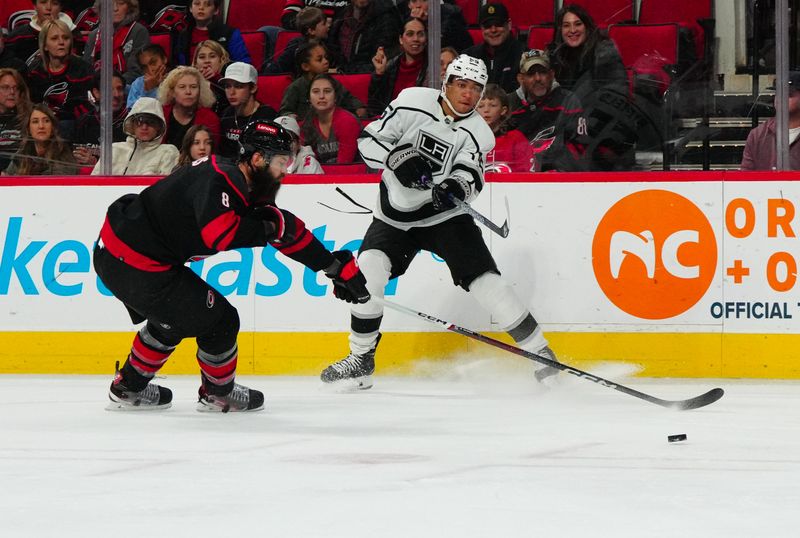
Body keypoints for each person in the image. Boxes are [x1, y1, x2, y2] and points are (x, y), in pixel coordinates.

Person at [319, 54, 561, 390]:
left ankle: (542, 355)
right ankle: (361, 358)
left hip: (444, 217)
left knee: (488, 284)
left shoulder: (479, 133)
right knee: (369, 273)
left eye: (476, 89)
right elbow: (368, 141)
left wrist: (454, 186)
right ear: (446, 83)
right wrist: (396, 158)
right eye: (462, 85)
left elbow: (472, 173)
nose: (468, 94)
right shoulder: (412, 102)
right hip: (394, 215)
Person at [93, 119, 370, 411]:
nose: (284, 172)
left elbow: (285, 228)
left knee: (174, 317)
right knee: (221, 321)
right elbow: (219, 235)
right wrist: (268, 230)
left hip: (118, 253)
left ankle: (127, 388)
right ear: (257, 159)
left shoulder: (241, 181)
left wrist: (334, 267)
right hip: (136, 262)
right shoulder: (222, 179)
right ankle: (218, 393)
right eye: (280, 163)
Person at [548, 3, 632, 170]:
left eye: (578, 24)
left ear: (587, 26)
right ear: (560, 30)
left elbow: (616, 94)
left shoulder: (604, 51)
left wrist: (583, 123)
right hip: (566, 132)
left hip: (601, 132)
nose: (572, 30)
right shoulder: (554, 56)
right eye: (566, 25)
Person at [507, 49, 587, 172]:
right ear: (521, 78)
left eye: (542, 72)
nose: (538, 78)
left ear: (551, 74)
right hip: (517, 176)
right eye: (531, 74)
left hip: (559, 176)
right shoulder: (508, 104)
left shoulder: (568, 100)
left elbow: (579, 146)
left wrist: (556, 170)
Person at [26, 18, 93, 139]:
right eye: (54, 38)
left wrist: (58, 117)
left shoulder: (83, 69)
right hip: (42, 121)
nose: (61, 42)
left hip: (71, 125)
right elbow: (30, 103)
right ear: (45, 46)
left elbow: (87, 107)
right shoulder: (35, 71)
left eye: (66, 38)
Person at [91, 96, 179, 175]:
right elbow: (94, 183)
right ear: (132, 124)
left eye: (151, 122)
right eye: (139, 121)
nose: (144, 127)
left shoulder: (168, 152)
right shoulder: (114, 149)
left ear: (159, 127)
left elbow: (167, 189)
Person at [279, 40, 366, 119]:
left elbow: (349, 99)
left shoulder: (333, 83)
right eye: (319, 59)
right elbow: (285, 111)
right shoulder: (295, 87)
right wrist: (291, 116)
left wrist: (359, 108)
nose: (326, 62)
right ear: (305, 66)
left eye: (326, 58)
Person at [367, 17, 427, 117]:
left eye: (420, 34)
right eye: (410, 34)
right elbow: (374, 107)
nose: (416, 39)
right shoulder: (390, 67)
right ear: (401, 39)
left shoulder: (433, 67)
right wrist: (379, 74)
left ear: (426, 39)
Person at [741, 71, 800, 170]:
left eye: (788, 94)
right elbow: (745, 178)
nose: (781, 98)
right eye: (777, 93)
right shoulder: (757, 135)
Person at [218, 61, 278, 159]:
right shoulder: (226, 114)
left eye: (238, 86)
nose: (231, 92)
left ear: (253, 88)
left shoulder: (268, 116)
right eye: (227, 86)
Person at [83, 0, 150, 86]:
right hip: (96, 91)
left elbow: (137, 72)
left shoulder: (139, 32)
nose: (115, 9)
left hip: (126, 89)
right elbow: (85, 71)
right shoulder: (94, 35)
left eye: (121, 3)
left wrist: (110, 86)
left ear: (130, 7)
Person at [463, 3, 525, 93]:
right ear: (481, 28)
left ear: (509, 24)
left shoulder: (523, 54)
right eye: (488, 26)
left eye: (498, 24)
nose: (493, 30)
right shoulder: (469, 56)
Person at [327, 0, 403, 74]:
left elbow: (383, 62)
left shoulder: (386, 17)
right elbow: (332, 49)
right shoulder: (341, 15)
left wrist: (343, 71)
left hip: (370, 79)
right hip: (337, 78)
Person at [300, 73, 362, 163]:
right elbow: (307, 163)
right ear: (309, 98)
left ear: (335, 97)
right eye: (316, 91)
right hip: (319, 174)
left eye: (327, 91)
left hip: (352, 174)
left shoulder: (347, 121)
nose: (321, 96)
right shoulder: (306, 124)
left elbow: (344, 164)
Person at [2, 103, 78, 175]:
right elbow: (8, 177)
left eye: (46, 121)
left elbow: (55, 185)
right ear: (28, 129)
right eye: (35, 122)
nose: (41, 126)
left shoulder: (63, 154)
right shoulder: (23, 153)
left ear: (52, 128)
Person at [157, 65, 220, 148]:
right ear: (172, 92)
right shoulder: (160, 114)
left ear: (200, 91)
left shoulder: (210, 119)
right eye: (182, 87)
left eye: (193, 87)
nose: (188, 92)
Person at [73, 70, 128, 166]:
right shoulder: (84, 122)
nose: (116, 94)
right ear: (96, 93)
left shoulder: (133, 123)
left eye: (120, 89)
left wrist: (96, 163)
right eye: (109, 89)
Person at [172, 0, 251, 66]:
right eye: (197, 3)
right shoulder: (183, 35)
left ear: (216, 10)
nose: (201, 8)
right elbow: (179, 66)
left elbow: (244, 64)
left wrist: (220, 72)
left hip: (222, 81)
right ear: (190, 8)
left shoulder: (230, 33)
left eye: (208, 4)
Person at [477, 83, 532, 173]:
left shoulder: (516, 139)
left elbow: (526, 174)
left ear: (503, 110)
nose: (486, 110)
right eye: (480, 106)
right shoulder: (468, 139)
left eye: (492, 105)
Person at [6, 0, 77, 66]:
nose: (49, 7)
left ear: (61, 7)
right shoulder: (18, 36)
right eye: (43, 2)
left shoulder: (74, 34)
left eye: (54, 3)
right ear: (35, 6)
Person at [264, 7, 329, 75]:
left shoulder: (326, 44)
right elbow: (276, 68)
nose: (328, 25)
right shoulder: (295, 46)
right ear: (311, 31)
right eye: (324, 24)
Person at [404, 0, 472, 53]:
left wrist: (424, 22)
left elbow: (434, 48)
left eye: (424, 0)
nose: (418, 5)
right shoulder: (408, 21)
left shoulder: (451, 17)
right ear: (409, 5)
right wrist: (415, 22)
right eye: (414, 1)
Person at [0, 68, 33, 172]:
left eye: (16, 88)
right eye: (5, 87)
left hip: (19, 175)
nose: (12, 92)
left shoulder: (31, 117)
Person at [192, 39, 230, 114]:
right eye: (202, 57)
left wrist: (216, 80)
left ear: (221, 60)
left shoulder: (229, 81)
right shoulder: (187, 80)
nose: (207, 61)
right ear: (195, 62)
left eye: (212, 56)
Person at [126, 43, 169, 109]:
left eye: (153, 63)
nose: (150, 69)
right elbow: (132, 111)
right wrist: (148, 90)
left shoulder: (176, 80)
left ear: (164, 59)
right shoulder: (138, 84)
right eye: (144, 67)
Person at [281, 0, 349, 31]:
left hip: (334, 35)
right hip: (305, 33)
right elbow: (287, 17)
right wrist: (312, 25)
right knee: (270, 31)